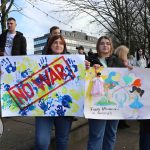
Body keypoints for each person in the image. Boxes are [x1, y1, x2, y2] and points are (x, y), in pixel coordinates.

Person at [35, 35, 73, 150]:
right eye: (55, 42)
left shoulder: (73, 62)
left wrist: (86, 67)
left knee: (62, 139)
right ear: (50, 45)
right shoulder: (38, 62)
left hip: (65, 107)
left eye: (61, 43)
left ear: (64, 46)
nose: (58, 45)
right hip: (43, 107)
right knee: (41, 141)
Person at [87, 36, 124, 150]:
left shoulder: (118, 61)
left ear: (111, 46)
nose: (105, 45)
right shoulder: (90, 60)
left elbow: (123, 79)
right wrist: (89, 68)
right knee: (96, 135)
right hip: (96, 103)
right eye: (102, 43)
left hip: (114, 102)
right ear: (98, 46)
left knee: (111, 133)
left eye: (108, 43)